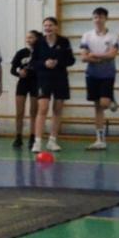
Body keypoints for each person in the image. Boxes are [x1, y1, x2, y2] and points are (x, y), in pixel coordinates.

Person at [31, 16, 75, 153]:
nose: (48, 28)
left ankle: (52, 140)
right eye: (45, 25)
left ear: (56, 27)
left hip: (60, 78)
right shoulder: (38, 43)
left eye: (50, 25)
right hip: (44, 79)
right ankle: (37, 141)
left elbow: (71, 60)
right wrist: (44, 63)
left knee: (57, 109)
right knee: (43, 108)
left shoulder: (64, 41)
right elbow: (33, 62)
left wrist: (58, 63)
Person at [79, 7, 119, 151]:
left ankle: (110, 98)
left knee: (104, 103)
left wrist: (94, 55)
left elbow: (112, 55)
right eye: (95, 17)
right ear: (93, 19)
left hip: (108, 74)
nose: (98, 20)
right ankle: (100, 139)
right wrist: (100, 57)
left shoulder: (113, 36)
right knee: (98, 107)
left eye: (101, 17)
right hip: (92, 74)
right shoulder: (87, 36)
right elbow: (84, 57)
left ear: (106, 19)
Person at [10, 29, 40, 149]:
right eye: (27, 37)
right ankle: (18, 137)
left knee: (33, 112)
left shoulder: (41, 52)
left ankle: (32, 137)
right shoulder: (21, 52)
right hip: (23, 83)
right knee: (19, 112)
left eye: (31, 37)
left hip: (36, 83)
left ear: (37, 39)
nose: (28, 39)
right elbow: (13, 69)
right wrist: (19, 73)